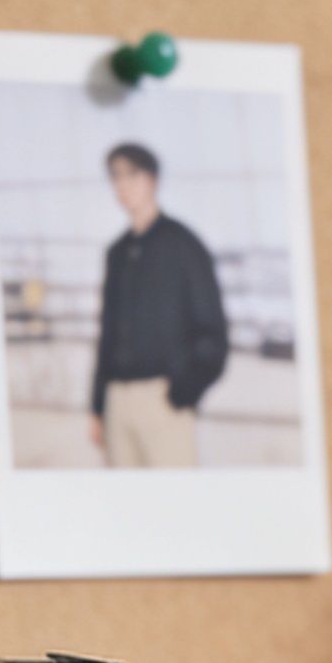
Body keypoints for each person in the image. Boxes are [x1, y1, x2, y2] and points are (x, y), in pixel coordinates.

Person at [89, 142, 228, 469]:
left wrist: (182, 393)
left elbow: (213, 332)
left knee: (176, 507)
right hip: (117, 404)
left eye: (132, 174)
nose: (123, 184)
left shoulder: (183, 244)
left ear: (152, 180)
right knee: (126, 509)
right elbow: (107, 334)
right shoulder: (117, 252)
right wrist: (98, 407)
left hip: (163, 401)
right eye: (116, 176)